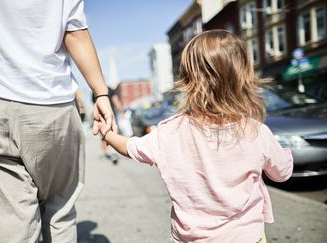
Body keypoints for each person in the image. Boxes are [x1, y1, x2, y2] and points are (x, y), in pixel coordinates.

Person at [0, 0, 116, 242]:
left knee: (10, 224)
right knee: (60, 210)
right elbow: (75, 32)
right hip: (54, 105)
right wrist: (100, 92)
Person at [96, 30, 293, 243]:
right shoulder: (256, 132)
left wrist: (108, 133)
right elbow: (281, 173)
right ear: (242, 76)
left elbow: (130, 147)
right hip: (246, 237)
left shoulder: (170, 131)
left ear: (187, 79)